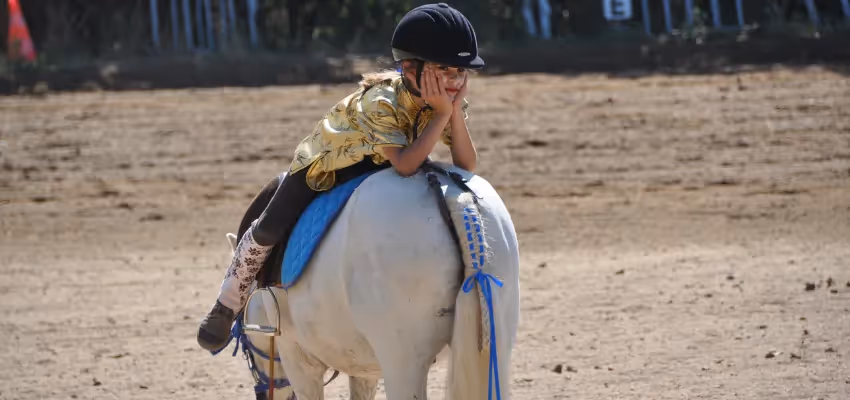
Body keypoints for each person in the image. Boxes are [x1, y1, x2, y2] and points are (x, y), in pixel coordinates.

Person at [197, 2, 484, 352]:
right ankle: (227, 303)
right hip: (326, 165)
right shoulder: (382, 101)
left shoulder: (446, 100)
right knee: (270, 227)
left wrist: (450, 113)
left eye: (461, 71)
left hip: (380, 166)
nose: (454, 80)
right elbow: (406, 165)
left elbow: (466, 164)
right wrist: (441, 115)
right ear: (411, 68)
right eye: (444, 70)